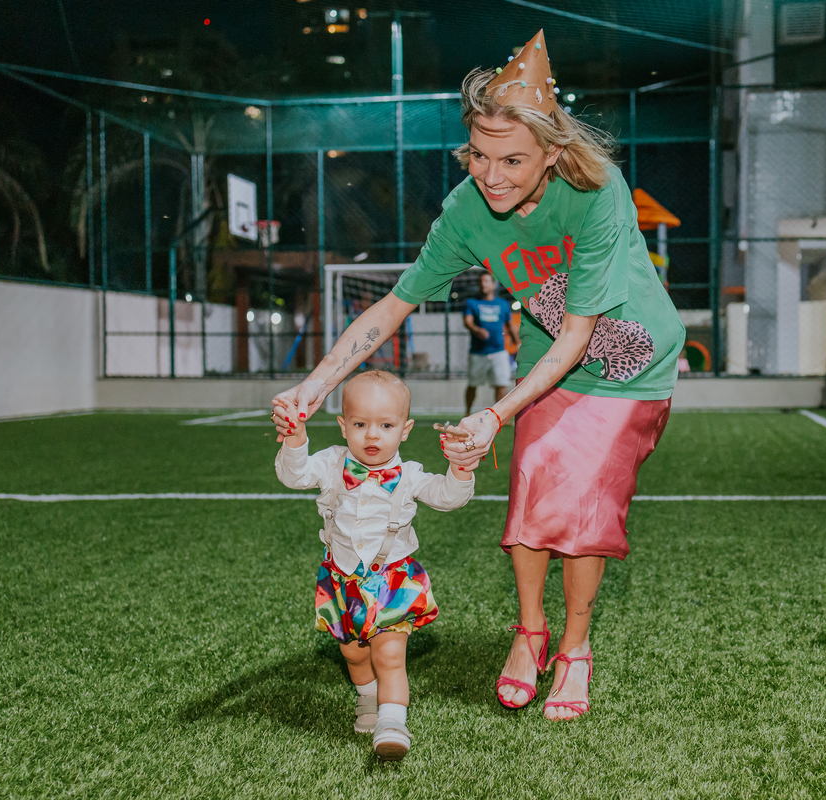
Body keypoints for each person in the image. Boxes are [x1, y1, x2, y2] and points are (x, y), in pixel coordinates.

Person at [272, 29, 684, 722]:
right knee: (532, 480)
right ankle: (531, 632)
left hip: (630, 363)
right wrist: (314, 386)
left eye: (512, 159)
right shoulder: (467, 211)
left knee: (583, 496)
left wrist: (496, 413)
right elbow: (395, 303)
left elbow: (580, 333)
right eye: (479, 155)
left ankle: (575, 647)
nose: (491, 175)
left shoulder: (597, 192)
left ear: (552, 153)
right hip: (545, 357)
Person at [272, 370, 476, 760]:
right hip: (341, 579)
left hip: (392, 579)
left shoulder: (410, 475)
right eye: (360, 424)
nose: (372, 435)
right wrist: (296, 437)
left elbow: (448, 497)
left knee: (389, 655)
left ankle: (392, 722)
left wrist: (460, 468)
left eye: (386, 425)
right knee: (353, 654)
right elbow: (293, 475)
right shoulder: (331, 464)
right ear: (343, 426)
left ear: (405, 429)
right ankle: (367, 696)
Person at [464, 272, 519, 417]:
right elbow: (467, 322)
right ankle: (467, 412)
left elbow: (510, 325)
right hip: (477, 352)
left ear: (494, 285)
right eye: (481, 281)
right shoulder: (472, 303)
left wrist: (517, 343)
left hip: (499, 352)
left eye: (487, 281)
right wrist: (477, 330)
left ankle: (500, 416)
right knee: (472, 384)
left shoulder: (502, 304)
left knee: (501, 385)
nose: (483, 284)